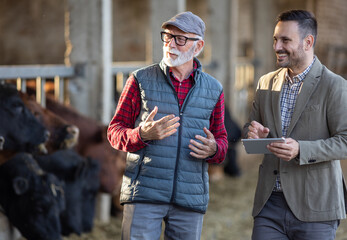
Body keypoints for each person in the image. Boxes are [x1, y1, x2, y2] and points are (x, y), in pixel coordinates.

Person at [107, 11, 227, 240]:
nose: (171, 44)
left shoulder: (214, 89)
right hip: (144, 194)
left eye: (180, 39)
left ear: (198, 46)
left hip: (189, 198)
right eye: (167, 37)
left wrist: (214, 150)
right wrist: (141, 134)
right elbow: (114, 131)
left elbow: (221, 142)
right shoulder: (140, 80)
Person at [243, 9, 347, 240]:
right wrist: (253, 132)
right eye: (275, 39)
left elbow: (345, 141)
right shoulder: (265, 82)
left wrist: (301, 149)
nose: (277, 46)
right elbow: (250, 127)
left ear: (308, 42)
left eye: (285, 40)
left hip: (316, 206)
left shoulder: (334, 86)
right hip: (269, 204)